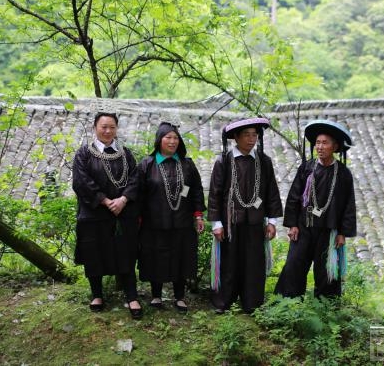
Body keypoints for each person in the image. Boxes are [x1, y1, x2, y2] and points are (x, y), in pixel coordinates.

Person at [207, 117, 283, 313]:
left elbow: (271, 192)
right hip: (229, 223)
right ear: (236, 138)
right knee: (230, 262)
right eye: (247, 135)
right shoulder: (224, 161)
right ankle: (224, 302)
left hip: (256, 222)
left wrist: (272, 221)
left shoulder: (264, 162)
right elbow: (215, 193)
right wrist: (216, 223)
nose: (251, 140)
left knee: (254, 263)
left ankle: (252, 303)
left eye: (254, 135)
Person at [72, 111, 143, 319]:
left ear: (116, 129)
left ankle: (132, 296)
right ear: (95, 127)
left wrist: (123, 200)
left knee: (126, 253)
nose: (107, 131)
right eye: (103, 126)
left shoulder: (126, 154)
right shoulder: (84, 154)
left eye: (112, 127)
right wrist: (103, 200)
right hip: (93, 213)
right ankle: (97, 294)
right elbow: (81, 181)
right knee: (94, 252)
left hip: (121, 213)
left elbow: (135, 179)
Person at [274, 119, 356, 298]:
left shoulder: (343, 174)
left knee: (326, 271)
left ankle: (327, 307)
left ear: (334, 147)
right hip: (304, 227)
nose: (320, 147)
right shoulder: (307, 168)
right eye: (317, 142)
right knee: (294, 264)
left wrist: (342, 233)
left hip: (329, 231)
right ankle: (286, 303)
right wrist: (292, 225)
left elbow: (348, 206)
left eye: (325, 143)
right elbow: (294, 197)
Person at [137, 121, 205, 312]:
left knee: (180, 256)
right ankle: (156, 296)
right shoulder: (146, 165)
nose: (172, 141)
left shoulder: (187, 165)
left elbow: (196, 191)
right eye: (168, 137)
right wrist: (137, 218)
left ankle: (180, 297)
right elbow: (138, 194)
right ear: (159, 140)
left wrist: (198, 215)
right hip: (154, 222)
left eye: (175, 138)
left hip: (182, 221)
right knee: (155, 256)